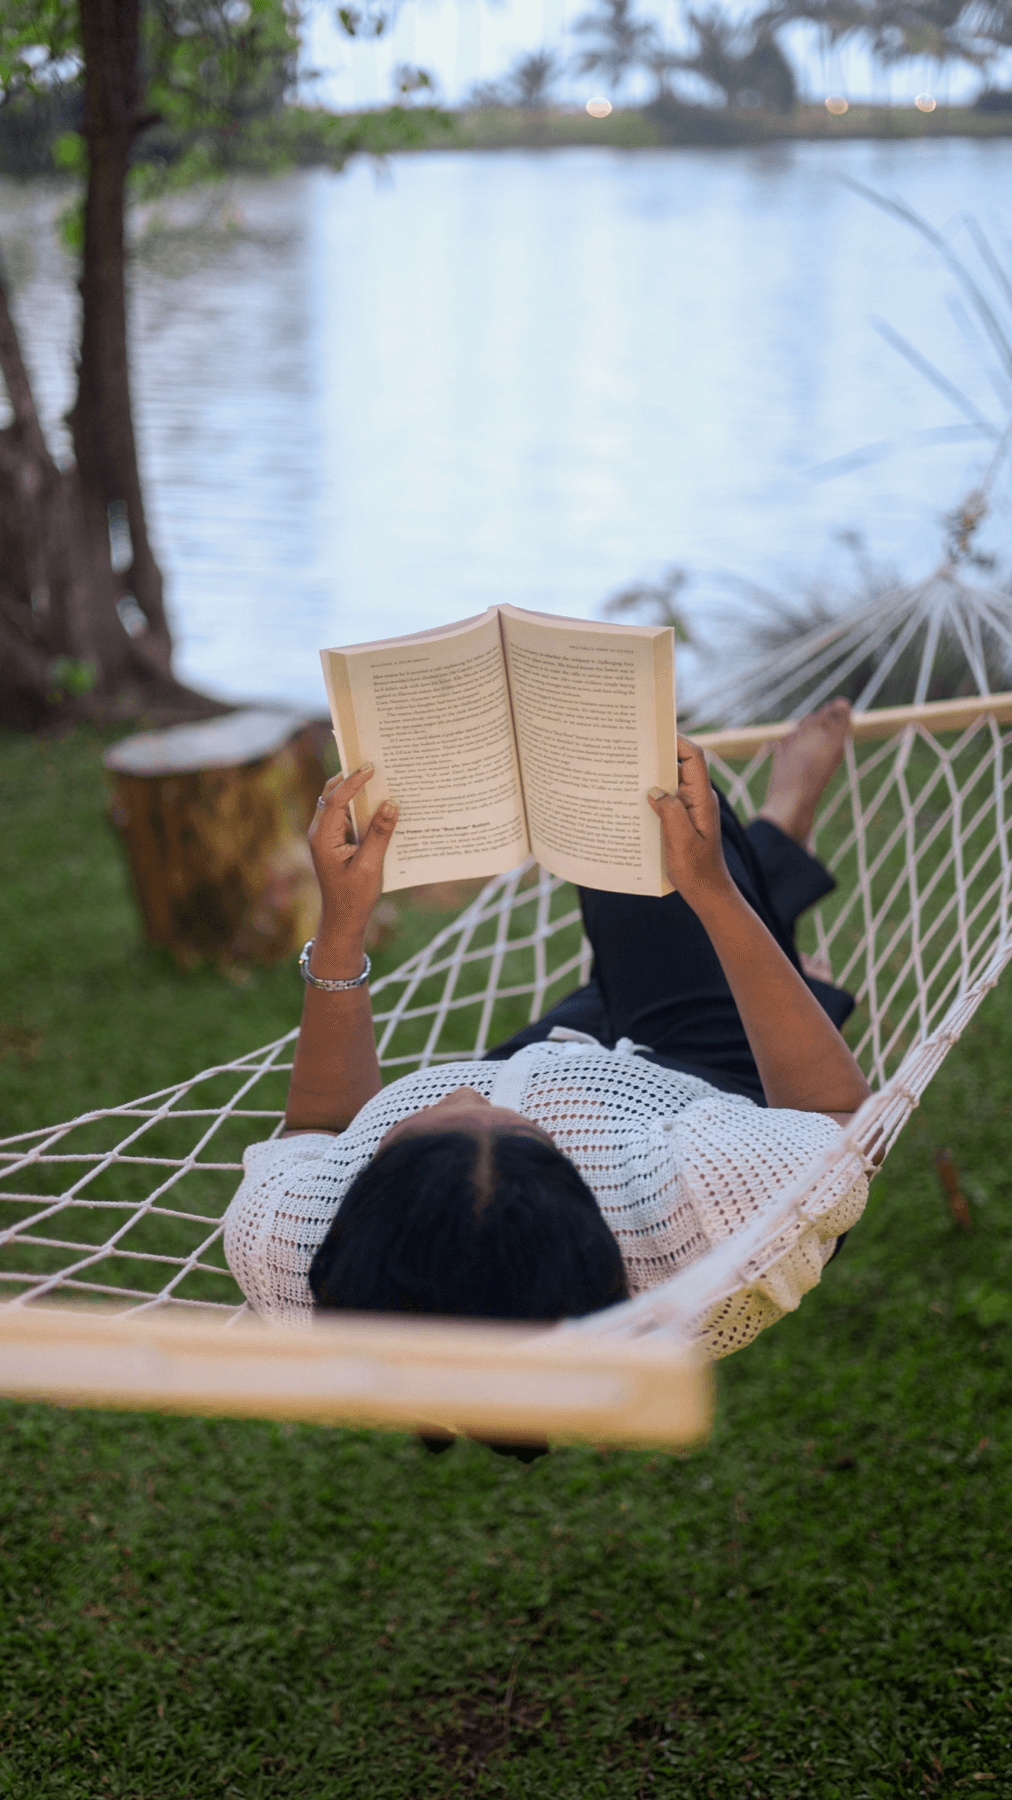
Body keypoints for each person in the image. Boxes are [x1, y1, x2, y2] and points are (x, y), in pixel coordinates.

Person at [223, 701, 871, 1377]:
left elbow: (324, 1126)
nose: (467, 1086)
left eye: (415, 1124)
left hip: (578, 1058)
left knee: (651, 930)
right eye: (528, 1129)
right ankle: (782, 827)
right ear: (588, 1197)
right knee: (640, 807)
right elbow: (840, 1119)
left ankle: (771, 917)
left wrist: (343, 924)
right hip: (703, 1083)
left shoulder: (288, 1247)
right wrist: (711, 892)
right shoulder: (717, 1199)